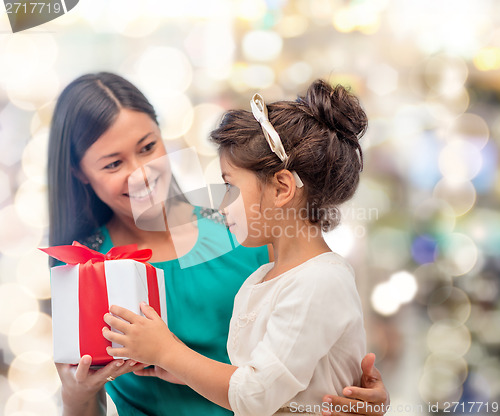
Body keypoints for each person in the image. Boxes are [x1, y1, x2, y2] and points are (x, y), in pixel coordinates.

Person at [47, 72, 389, 416]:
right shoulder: (86, 269)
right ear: (80, 172)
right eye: (114, 163)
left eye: (148, 147)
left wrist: (359, 393)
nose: (141, 173)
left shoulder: (252, 228)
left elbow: (317, 350)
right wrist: (75, 396)